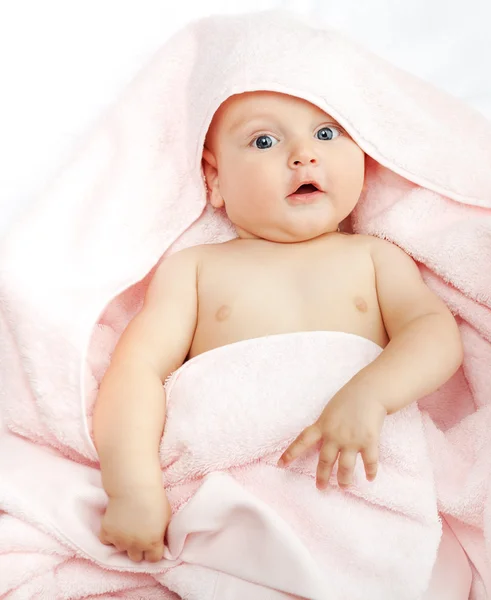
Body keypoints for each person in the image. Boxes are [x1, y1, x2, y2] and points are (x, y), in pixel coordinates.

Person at [92, 90, 464, 564]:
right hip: (234, 501)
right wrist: (133, 489)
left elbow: (432, 331)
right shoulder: (195, 269)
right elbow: (135, 372)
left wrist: (372, 394)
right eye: (264, 140)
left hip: (361, 499)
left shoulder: (374, 257)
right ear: (215, 178)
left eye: (326, 133)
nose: (304, 154)